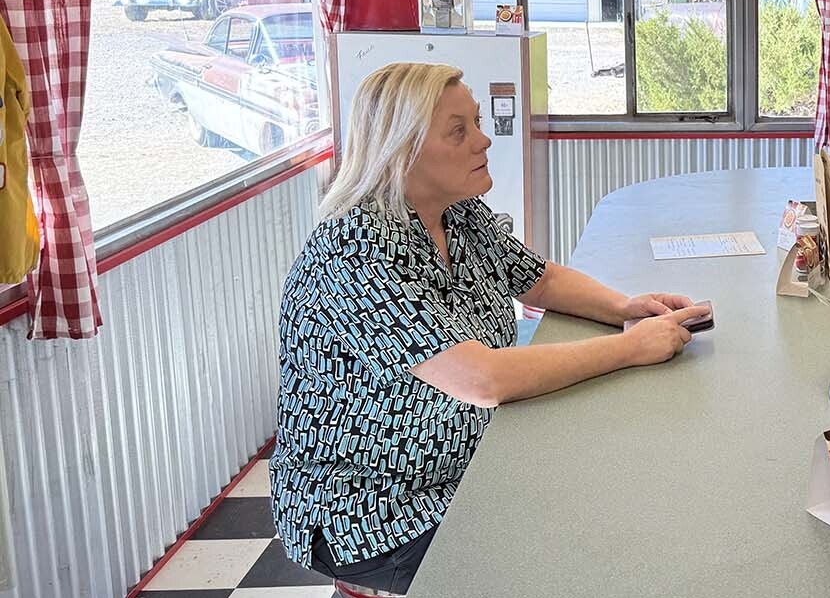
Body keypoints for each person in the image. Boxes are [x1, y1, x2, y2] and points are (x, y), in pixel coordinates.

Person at [271, 62, 708, 597]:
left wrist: (625, 307)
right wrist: (628, 348)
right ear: (402, 148)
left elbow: (539, 280)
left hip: (462, 463)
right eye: (460, 131)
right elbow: (482, 379)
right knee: (574, 553)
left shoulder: (459, 214)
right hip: (371, 507)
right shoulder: (355, 249)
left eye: (477, 123)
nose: (483, 140)